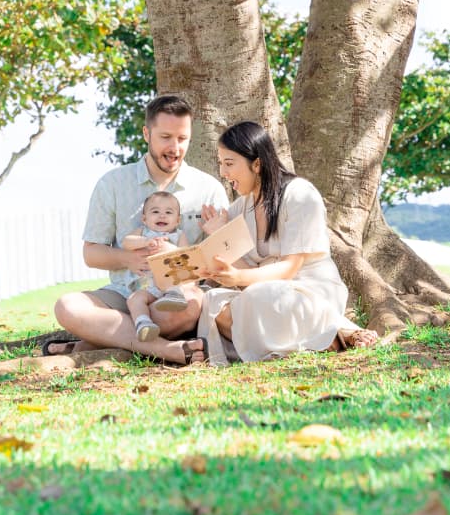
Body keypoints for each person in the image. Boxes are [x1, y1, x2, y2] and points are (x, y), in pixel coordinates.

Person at [45, 95, 229, 365]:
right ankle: (167, 350)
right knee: (67, 307)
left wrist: (180, 256)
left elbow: (221, 259)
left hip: (177, 296)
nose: (175, 148)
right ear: (146, 133)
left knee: (191, 305)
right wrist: (130, 259)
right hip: (124, 293)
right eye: (165, 137)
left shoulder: (209, 189)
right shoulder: (113, 183)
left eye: (182, 138)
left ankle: (95, 339)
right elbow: (92, 254)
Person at [197, 121, 379, 366]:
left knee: (259, 296)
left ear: (257, 163)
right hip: (263, 294)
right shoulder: (242, 207)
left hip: (306, 288)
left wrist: (237, 278)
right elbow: (233, 265)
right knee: (212, 304)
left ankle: (331, 333)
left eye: (229, 164)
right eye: (221, 163)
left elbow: (289, 269)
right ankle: (320, 340)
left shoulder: (299, 194)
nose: (223, 173)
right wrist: (217, 236)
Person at [122, 190, 192, 341]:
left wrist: (170, 249)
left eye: (168, 212)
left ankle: (175, 296)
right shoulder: (143, 232)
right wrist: (145, 242)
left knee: (173, 279)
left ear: (177, 220)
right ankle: (143, 323)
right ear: (144, 219)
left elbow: (187, 255)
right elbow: (126, 242)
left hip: (168, 283)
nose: (162, 215)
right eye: (155, 211)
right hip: (146, 286)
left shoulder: (179, 235)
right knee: (134, 299)